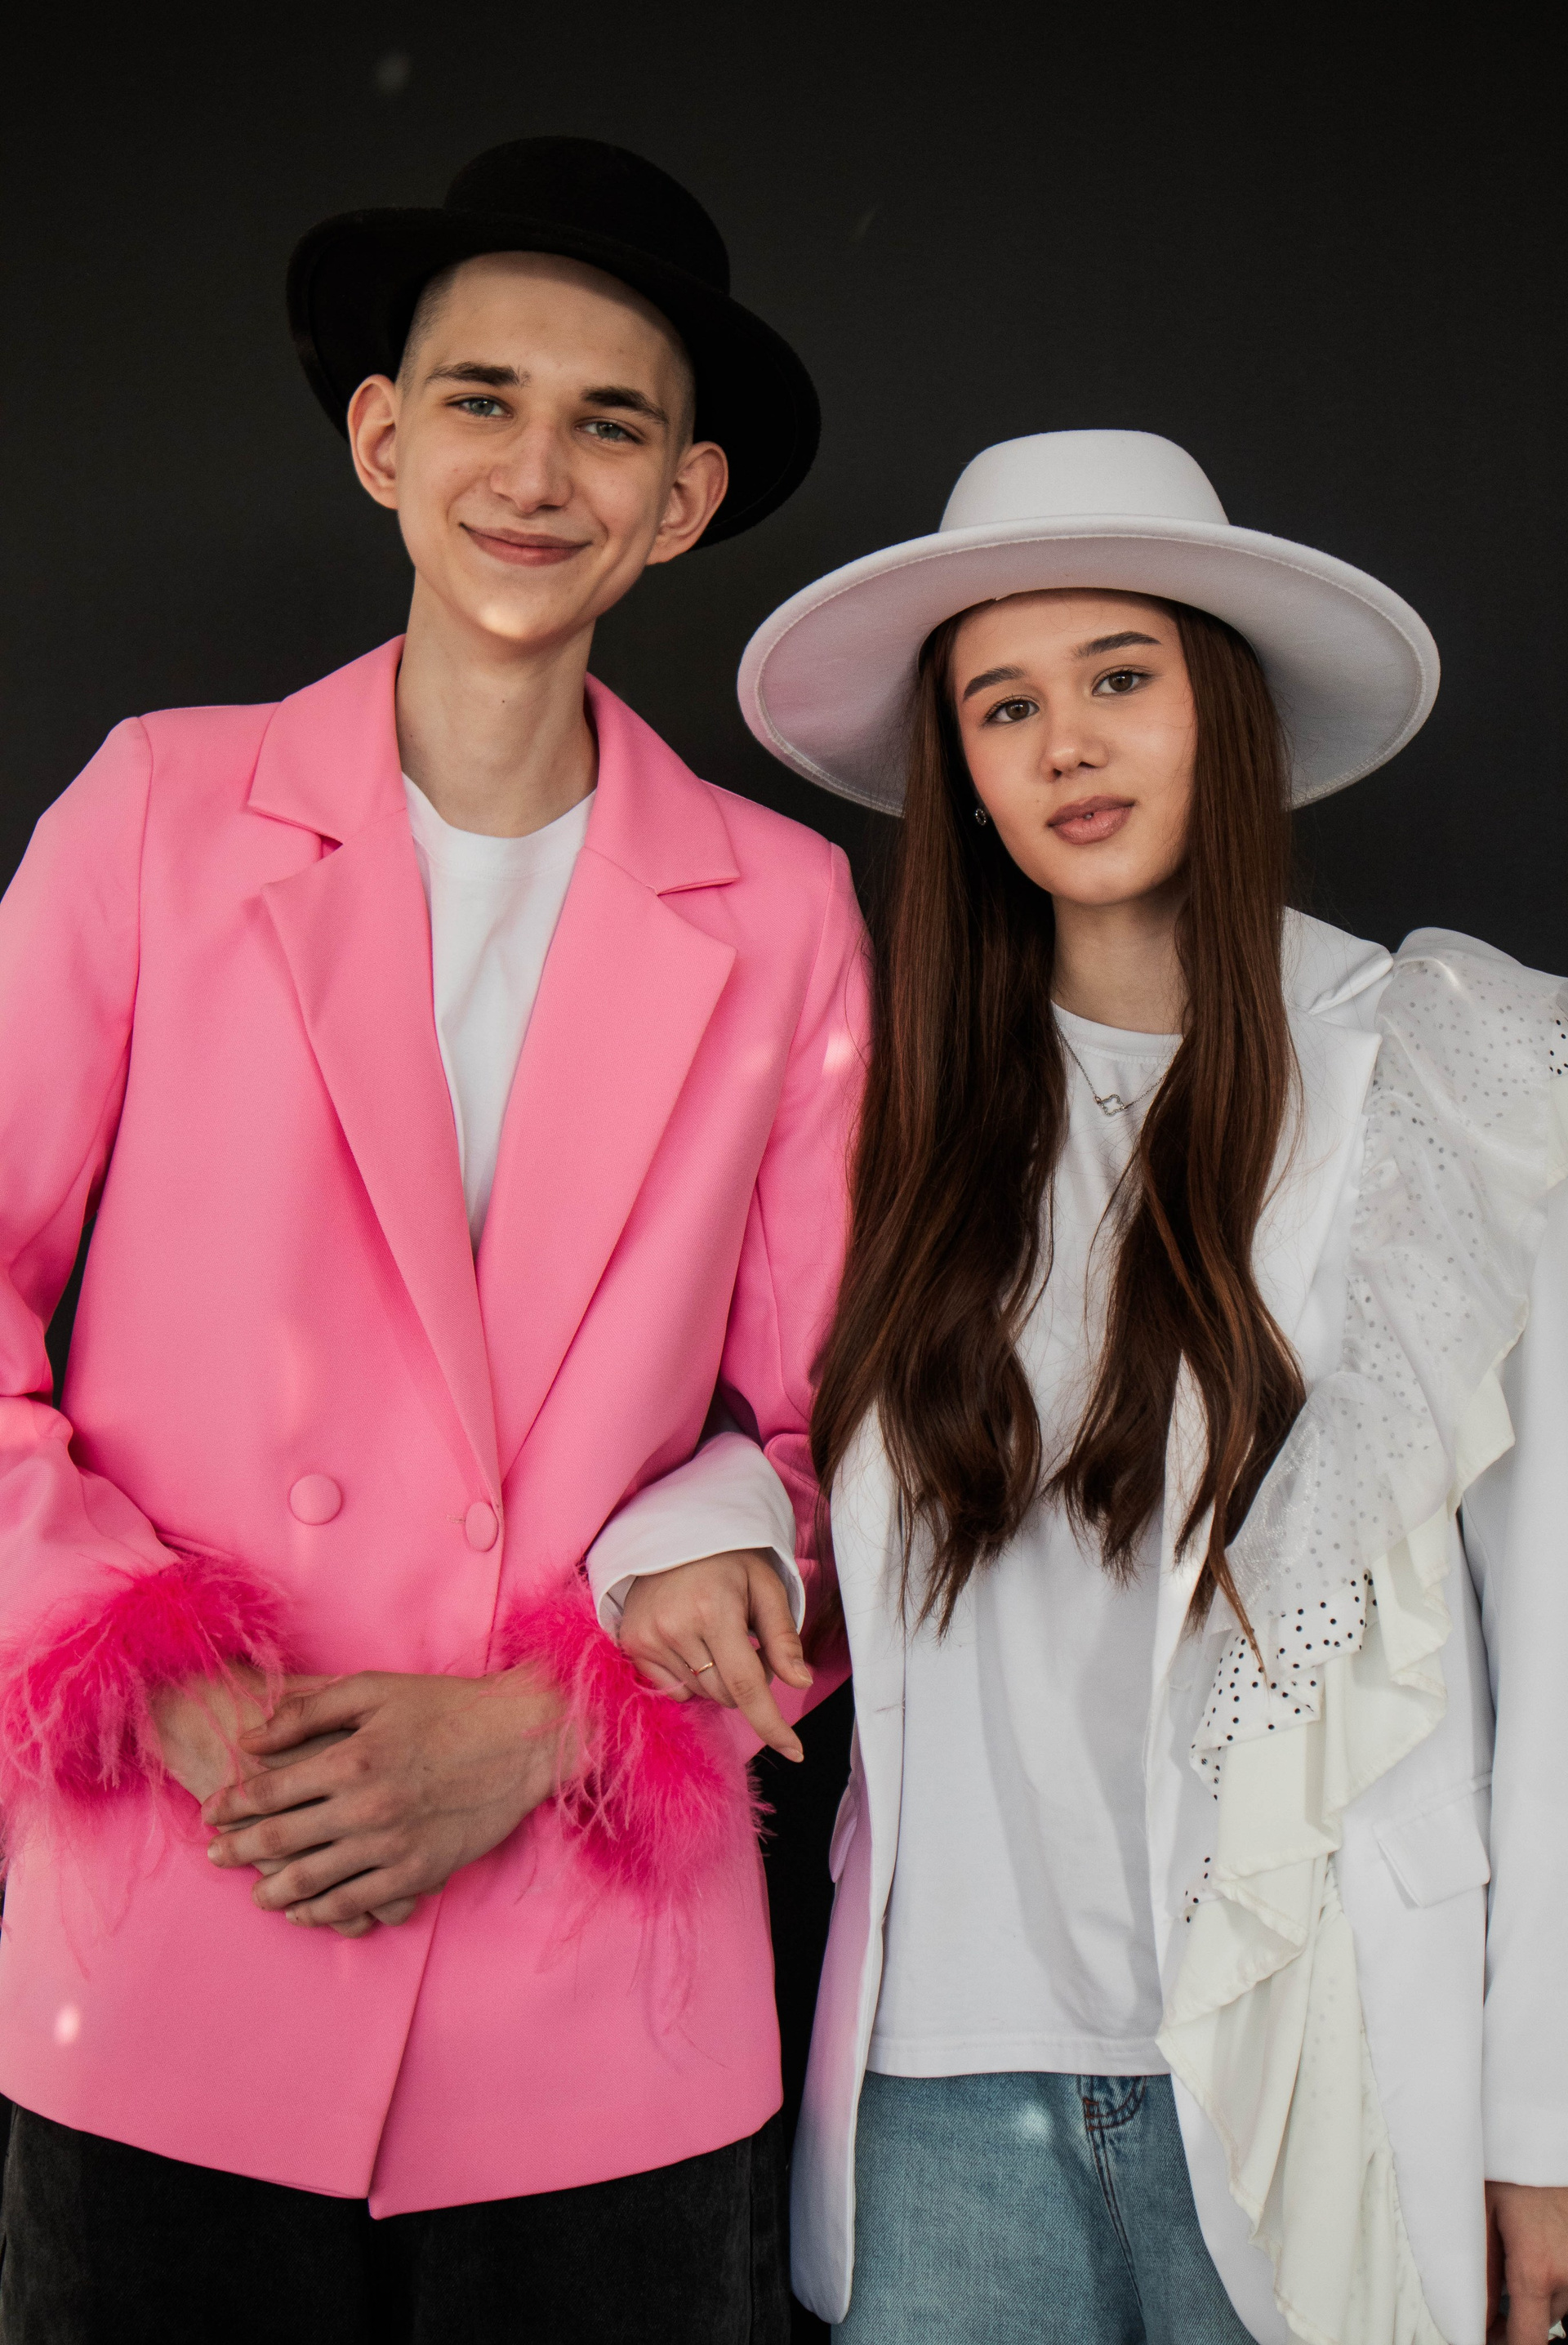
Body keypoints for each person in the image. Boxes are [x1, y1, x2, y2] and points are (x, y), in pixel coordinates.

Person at [0, 137, 865, 2343]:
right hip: (188, 1910)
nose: (535, 471)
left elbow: (850, 1442)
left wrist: (550, 1729)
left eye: (611, 424)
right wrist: (157, 1673)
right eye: (483, 398)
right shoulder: (157, 809)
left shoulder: (785, 912)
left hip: (595, 1999)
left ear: (684, 499)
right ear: (384, 436)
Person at [732, 430, 1568, 2343]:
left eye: (1121, 676)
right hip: (943, 2090)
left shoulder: (1446, 1070)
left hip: (1316, 2072)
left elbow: (1562, 1637)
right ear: (962, 766)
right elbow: (752, 1422)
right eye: (1005, 704)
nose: (1068, 745)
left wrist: (1543, 2118)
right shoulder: (888, 1110)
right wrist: (696, 1521)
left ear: (1224, 711)